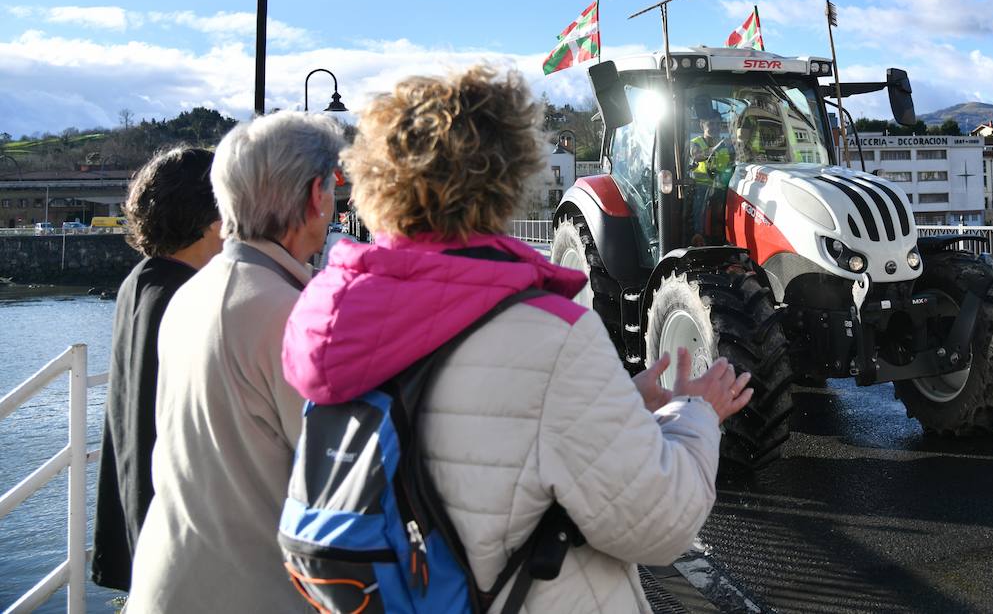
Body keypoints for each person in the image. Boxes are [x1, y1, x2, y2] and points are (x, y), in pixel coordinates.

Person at [282, 67, 752, 614]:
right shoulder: (547, 336)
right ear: (508, 177)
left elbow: (489, 433)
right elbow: (658, 524)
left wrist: (620, 402)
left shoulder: (331, 318)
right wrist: (694, 415)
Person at [126, 113, 344, 613]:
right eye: (333, 187)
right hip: (252, 592)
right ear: (316, 195)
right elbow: (339, 478)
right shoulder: (291, 315)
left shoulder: (193, 290)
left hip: (170, 580)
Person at [91, 147, 221, 592]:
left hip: (140, 523)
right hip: (179, 538)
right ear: (213, 218)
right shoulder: (189, 296)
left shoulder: (141, 281)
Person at [688, 113, 735, 242]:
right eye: (711, 124)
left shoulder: (727, 145)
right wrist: (718, 146)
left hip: (722, 187)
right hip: (701, 187)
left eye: (718, 124)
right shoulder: (695, 143)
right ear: (702, 125)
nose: (715, 127)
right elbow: (698, 156)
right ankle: (699, 237)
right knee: (700, 214)